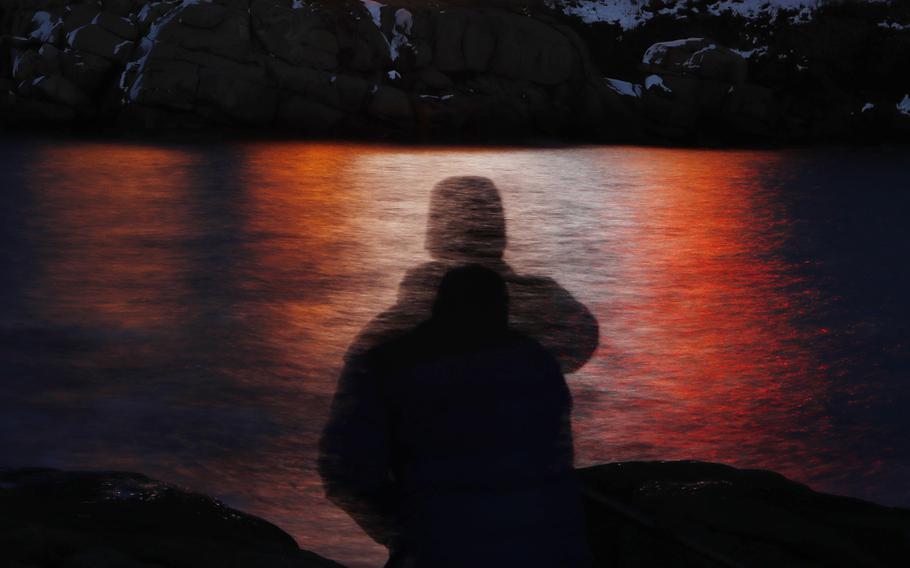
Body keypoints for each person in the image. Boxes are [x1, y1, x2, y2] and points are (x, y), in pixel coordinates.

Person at [319, 265, 591, 567]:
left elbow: (345, 471)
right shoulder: (537, 362)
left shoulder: (385, 364)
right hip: (545, 549)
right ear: (503, 308)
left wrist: (402, 530)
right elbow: (556, 458)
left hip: (439, 548)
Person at [346, 175, 599, 375]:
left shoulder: (407, 316)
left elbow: (358, 367)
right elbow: (580, 344)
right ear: (499, 230)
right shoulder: (547, 310)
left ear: (434, 234)